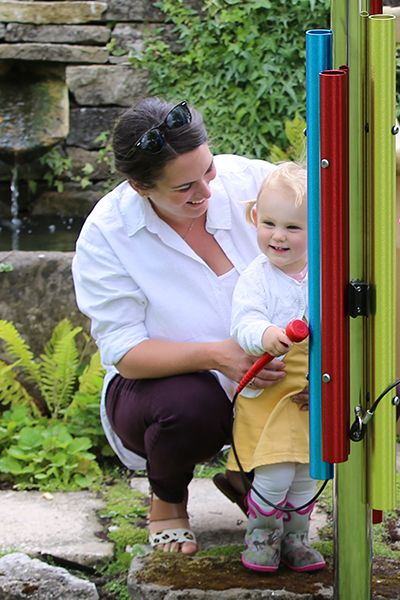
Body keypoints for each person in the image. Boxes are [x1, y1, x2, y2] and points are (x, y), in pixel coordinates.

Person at [71, 97, 292, 555]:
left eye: (208, 171)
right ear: (139, 186)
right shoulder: (107, 233)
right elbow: (126, 352)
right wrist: (218, 355)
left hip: (272, 372)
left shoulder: (254, 181)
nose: (206, 192)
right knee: (190, 405)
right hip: (161, 390)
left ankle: (244, 474)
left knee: (367, 394)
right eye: (184, 188)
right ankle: (167, 502)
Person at [226, 162, 325, 573]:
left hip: (310, 390)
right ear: (255, 218)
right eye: (269, 223)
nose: (278, 236)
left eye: (293, 227)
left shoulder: (321, 275)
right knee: (276, 470)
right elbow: (243, 321)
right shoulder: (257, 277)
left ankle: (297, 536)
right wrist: (265, 334)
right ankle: (263, 532)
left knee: (308, 471)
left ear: (317, 228)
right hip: (272, 386)